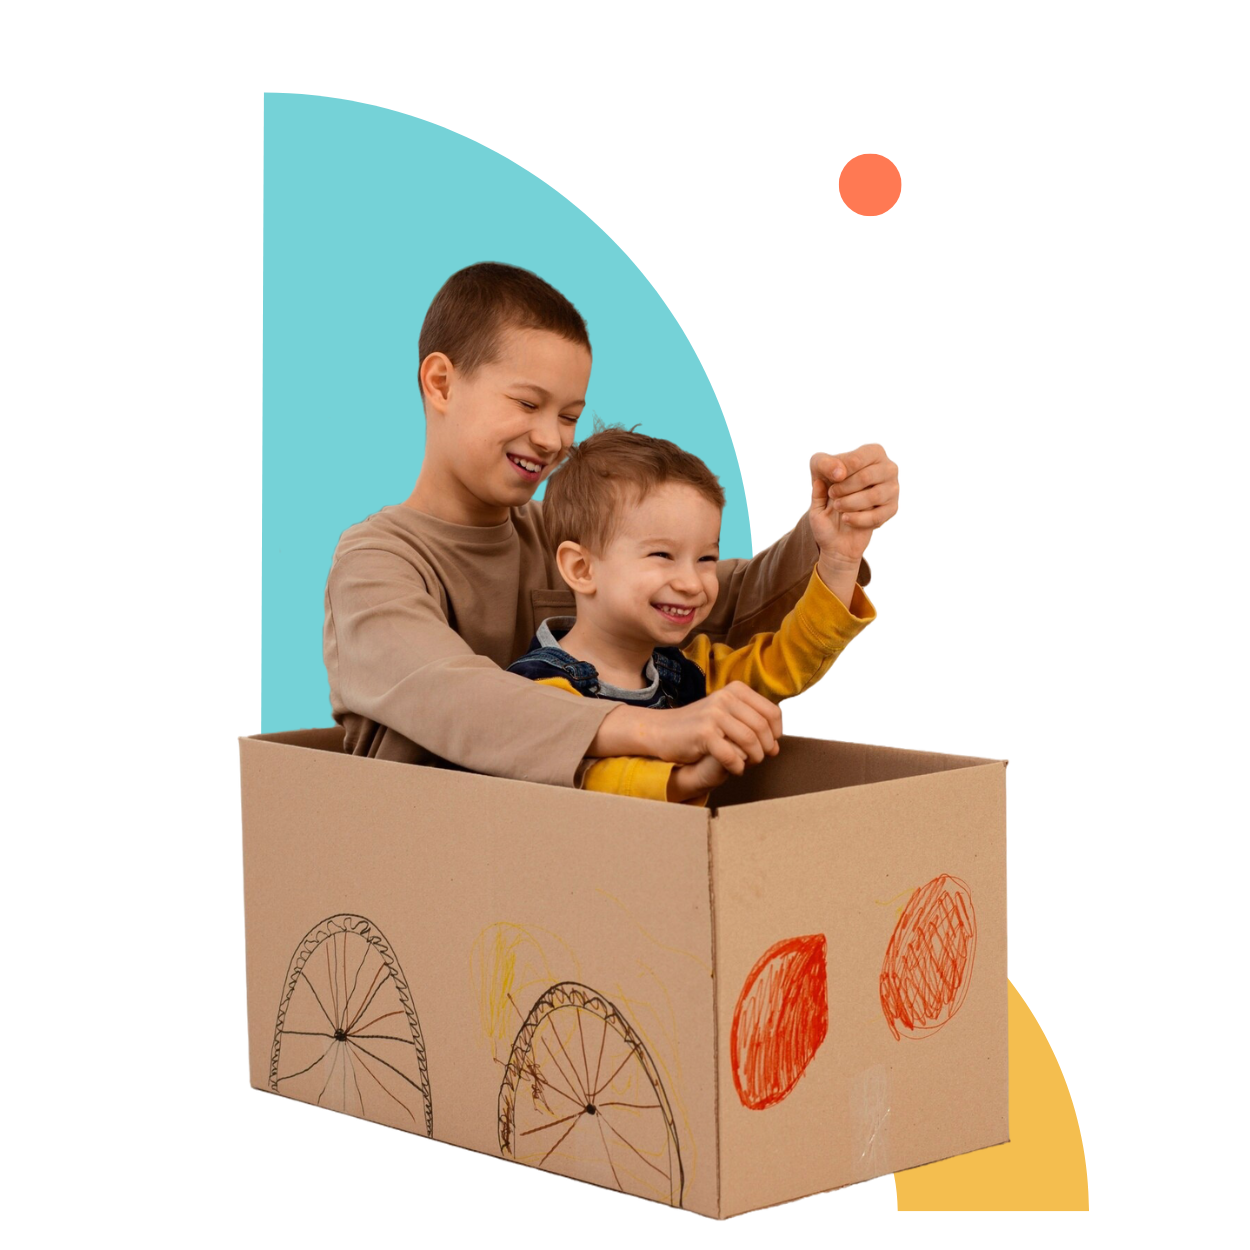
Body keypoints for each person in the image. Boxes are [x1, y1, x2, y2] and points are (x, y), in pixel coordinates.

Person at [323, 262, 900, 789]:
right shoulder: (376, 564)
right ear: (441, 383)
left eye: (569, 415)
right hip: (433, 864)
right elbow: (453, 695)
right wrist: (657, 730)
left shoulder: (558, 531)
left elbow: (723, 600)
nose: (552, 438)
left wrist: (831, 533)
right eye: (527, 404)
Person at [507, 425, 878, 804]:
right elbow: (579, 779)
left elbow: (784, 663)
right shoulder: (538, 689)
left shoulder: (691, 671)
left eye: (706, 559)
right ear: (582, 568)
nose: (692, 583)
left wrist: (840, 560)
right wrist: (683, 781)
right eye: (662, 555)